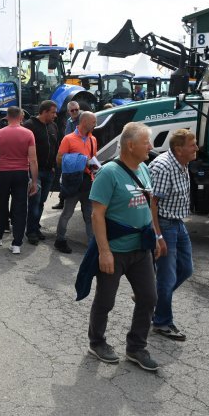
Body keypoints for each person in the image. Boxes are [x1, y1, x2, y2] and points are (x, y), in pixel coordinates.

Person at [88, 122, 165, 372]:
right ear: (130, 145)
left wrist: (155, 236)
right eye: (146, 142)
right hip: (116, 250)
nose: (150, 147)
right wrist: (104, 251)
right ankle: (97, 342)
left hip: (141, 249)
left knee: (149, 297)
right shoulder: (109, 173)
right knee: (106, 300)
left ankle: (136, 347)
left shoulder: (144, 168)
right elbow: (97, 215)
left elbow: (149, 205)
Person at [149, 129, 197, 341]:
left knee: (186, 269)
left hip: (177, 222)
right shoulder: (163, 167)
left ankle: (154, 298)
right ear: (179, 149)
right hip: (165, 225)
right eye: (192, 144)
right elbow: (151, 204)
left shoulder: (183, 162)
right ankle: (161, 322)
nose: (196, 147)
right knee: (167, 278)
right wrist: (158, 236)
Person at [0, 106, 38, 254]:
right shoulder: (28, 134)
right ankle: (16, 244)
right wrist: (34, 181)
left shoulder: (0, 134)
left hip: (3, 173)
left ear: (7, 117)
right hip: (21, 172)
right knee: (20, 207)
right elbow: (33, 160)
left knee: (1, 204)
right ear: (21, 117)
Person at [53, 111, 98, 254]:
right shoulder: (68, 139)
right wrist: (78, 160)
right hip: (73, 181)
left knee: (89, 214)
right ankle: (60, 240)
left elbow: (93, 158)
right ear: (84, 122)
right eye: (93, 122)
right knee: (67, 212)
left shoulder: (93, 140)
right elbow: (59, 160)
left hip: (87, 181)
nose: (95, 125)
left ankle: (92, 244)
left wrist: (93, 165)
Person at [23, 100, 59, 245]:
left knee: (41, 202)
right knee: (34, 201)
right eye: (53, 112)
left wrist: (54, 166)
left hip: (49, 171)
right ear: (44, 112)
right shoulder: (29, 126)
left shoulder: (53, 126)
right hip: (34, 172)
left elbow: (56, 146)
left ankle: (35, 226)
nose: (55, 115)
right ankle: (30, 231)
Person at [52, 101, 82, 211]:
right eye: (72, 110)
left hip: (79, 153)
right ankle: (62, 201)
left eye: (76, 110)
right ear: (68, 111)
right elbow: (67, 136)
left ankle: (79, 202)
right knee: (64, 178)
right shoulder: (69, 121)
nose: (75, 112)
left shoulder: (83, 119)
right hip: (69, 153)